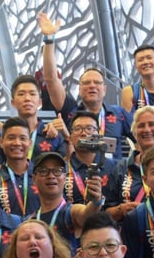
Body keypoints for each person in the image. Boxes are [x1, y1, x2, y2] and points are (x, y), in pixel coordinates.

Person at [39, 13, 132, 158]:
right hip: (78, 175)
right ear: (80, 89)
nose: (92, 86)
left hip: (114, 176)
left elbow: (142, 136)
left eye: (97, 83)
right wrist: (49, 40)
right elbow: (51, 79)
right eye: (86, 83)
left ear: (105, 89)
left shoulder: (118, 114)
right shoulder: (71, 111)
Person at [27, 151, 101, 257]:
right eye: (43, 171)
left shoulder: (71, 212)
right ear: (34, 179)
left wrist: (96, 201)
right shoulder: (30, 221)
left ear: (65, 177)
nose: (51, 176)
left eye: (57, 171)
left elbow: (86, 215)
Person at [62, 112, 114, 205]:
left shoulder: (114, 167)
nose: (83, 133)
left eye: (89, 128)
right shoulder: (61, 170)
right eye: (77, 129)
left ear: (99, 135)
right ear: (70, 138)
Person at [8, 75, 64, 157]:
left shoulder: (53, 135)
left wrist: (66, 135)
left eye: (32, 94)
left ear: (40, 102)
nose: (27, 98)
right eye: (21, 94)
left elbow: (64, 166)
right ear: (13, 103)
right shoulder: (4, 135)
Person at [0, 117, 39, 217]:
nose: (17, 143)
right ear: (1, 142)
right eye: (11, 138)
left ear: (30, 143)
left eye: (22, 138)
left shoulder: (42, 176)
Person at [120, 44, 154, 112]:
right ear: (136, 66)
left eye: (149, 57)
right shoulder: (130, 92)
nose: (145, 62)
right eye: (140, 60)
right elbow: (127, 121)